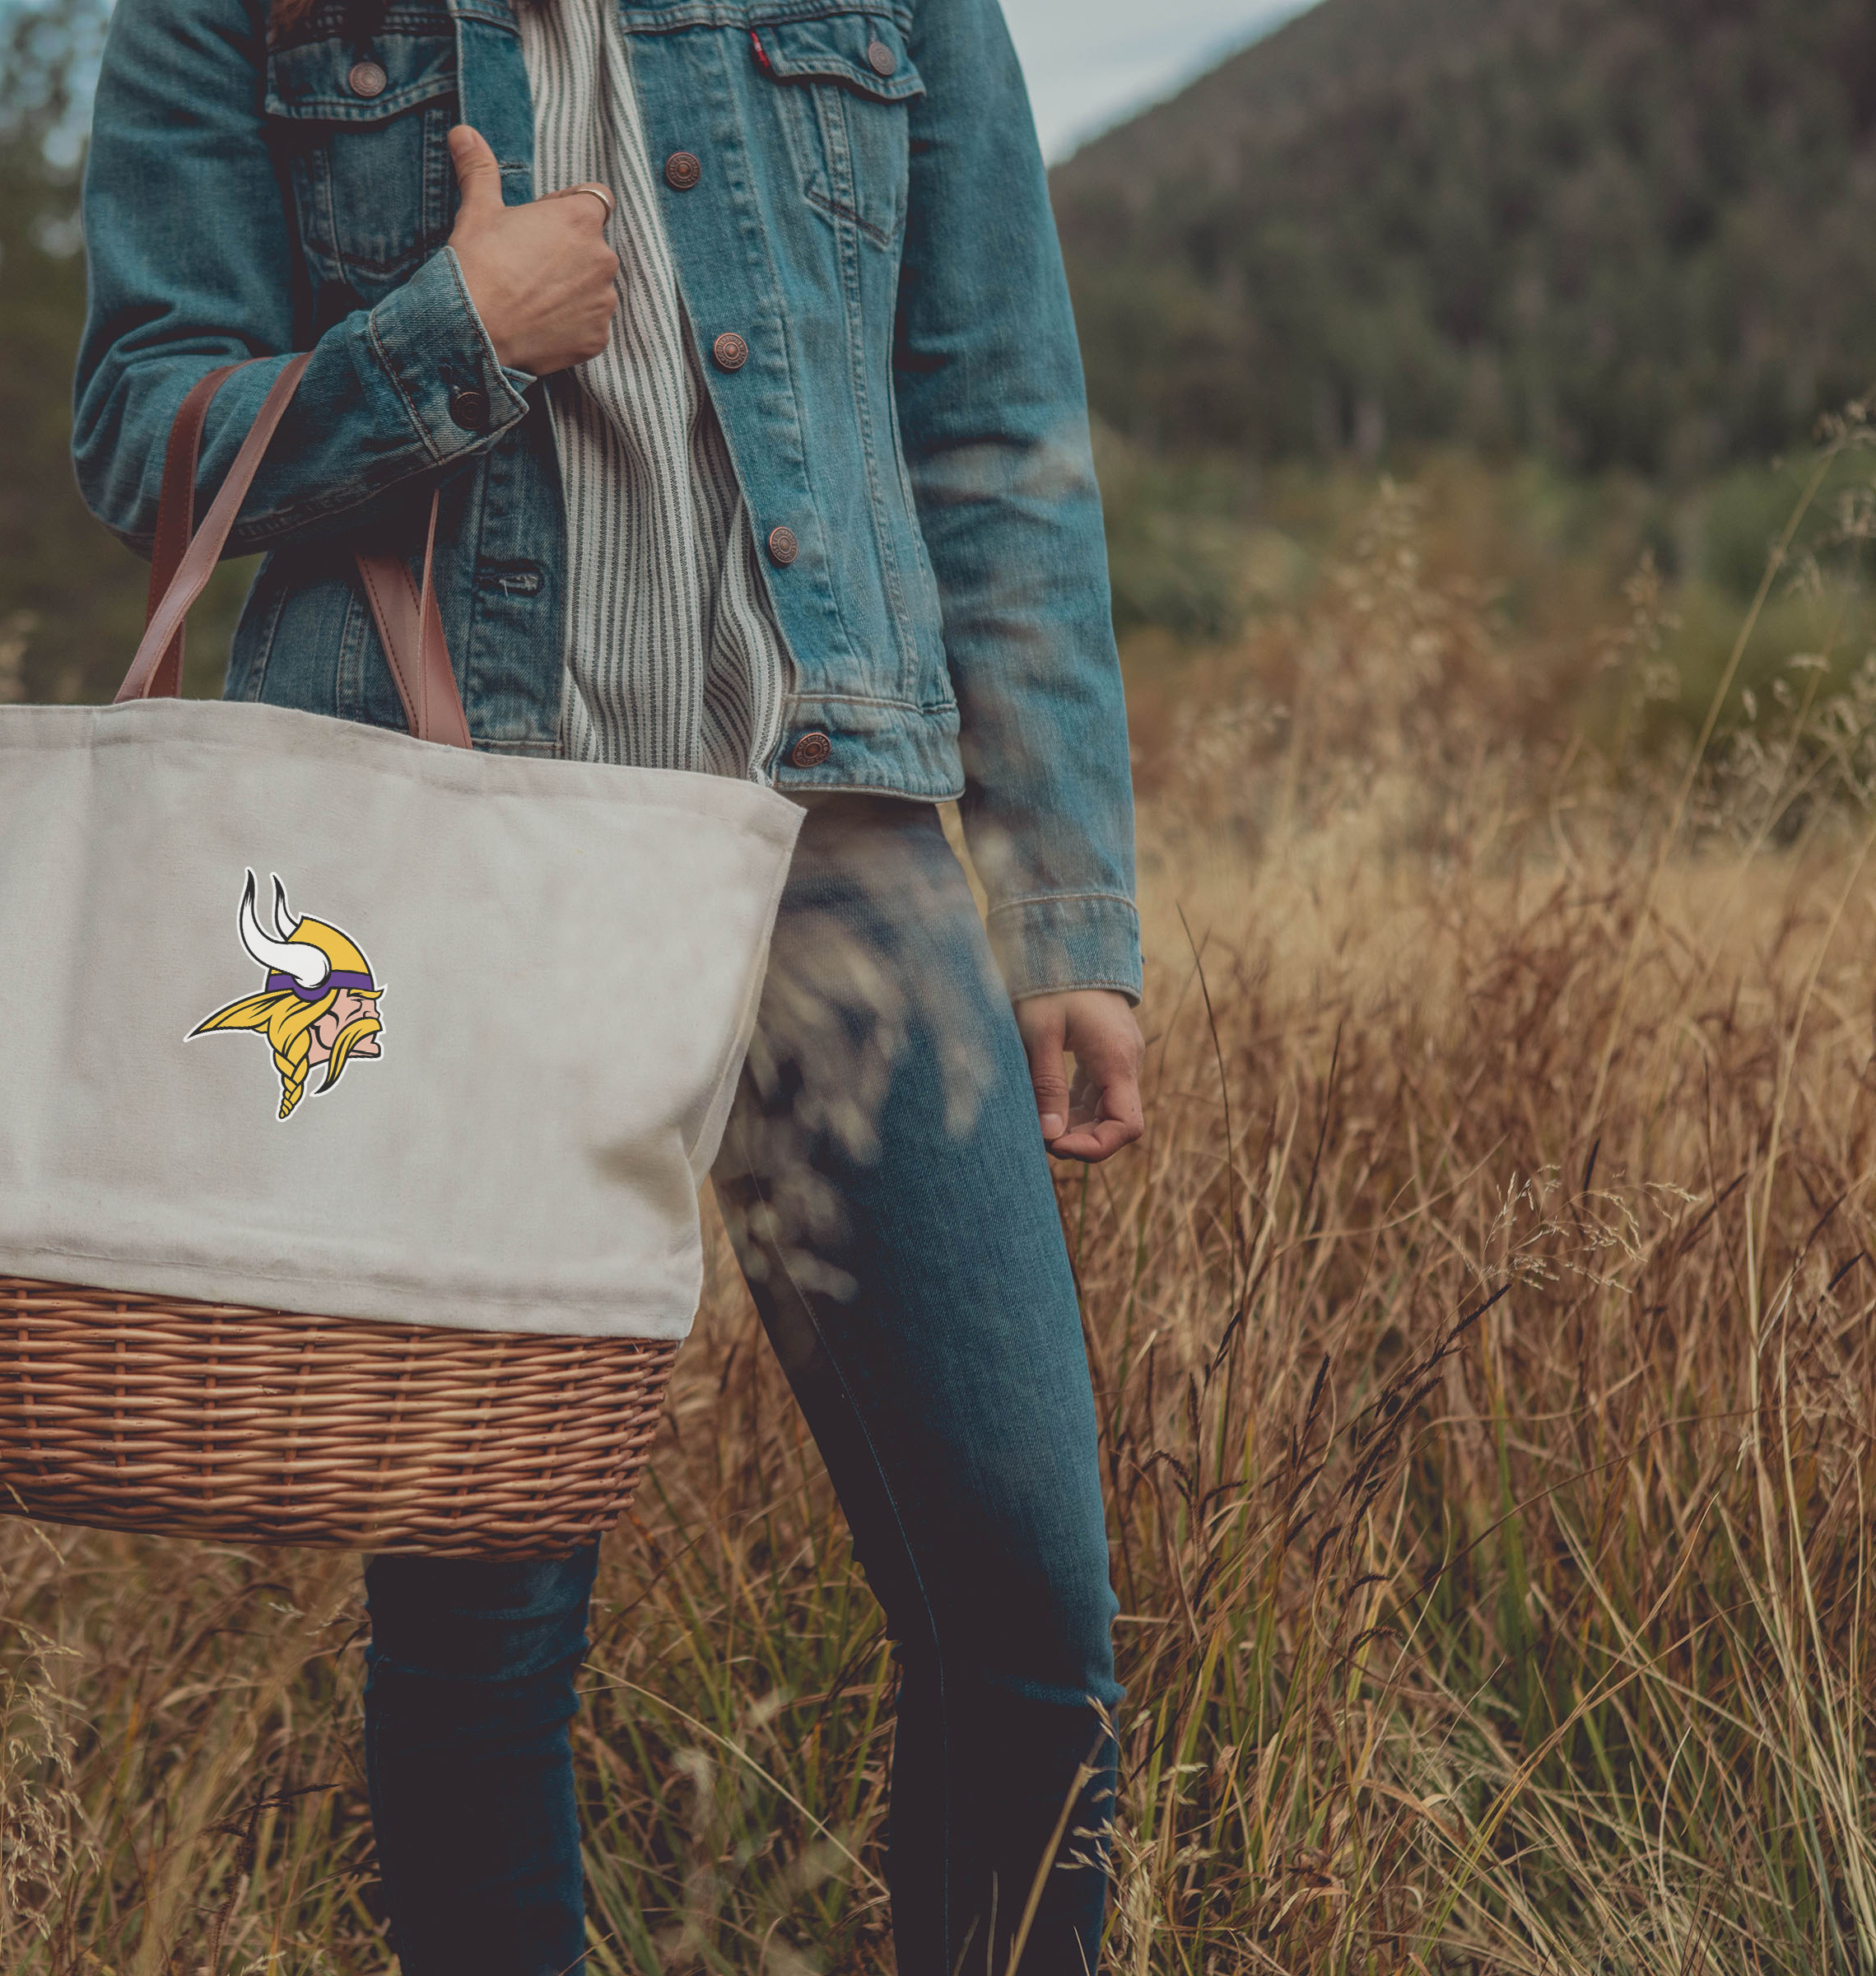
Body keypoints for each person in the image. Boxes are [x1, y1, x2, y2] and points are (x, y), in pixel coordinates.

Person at [75, 0, 1146, 1967]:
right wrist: (445, 342)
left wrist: (1068, 900)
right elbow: (141, 424)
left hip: (841, 852)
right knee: (484, 1637)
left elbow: (992, 426)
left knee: (1026, 1612)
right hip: (455, 865)